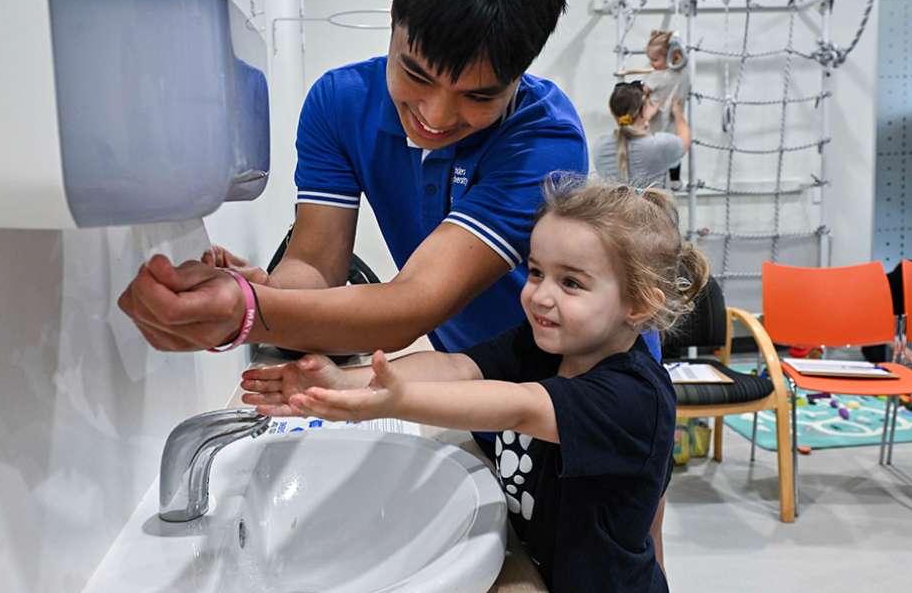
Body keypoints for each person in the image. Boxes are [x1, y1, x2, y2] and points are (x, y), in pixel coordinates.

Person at [118, 0, 663, 360]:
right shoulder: (338, 105)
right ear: (393, 20)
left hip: (589, 387)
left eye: (478, 96)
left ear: (521, 72)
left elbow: (415, 303)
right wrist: (263, 292)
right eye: (415, 74)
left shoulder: (542, 140)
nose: (436, 115)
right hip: (470, 379)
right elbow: (315, 264)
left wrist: (247, 313)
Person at [240, 176, 710, 593]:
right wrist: (349, 382)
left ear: (638, 306)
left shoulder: (633, 397)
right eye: (537, 272)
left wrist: (395, 401)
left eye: (571, 283)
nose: (541, 295)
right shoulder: (545, 345)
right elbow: (459, 367)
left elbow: (518, 406)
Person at [593, 81, 690, 189]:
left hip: (614, 206)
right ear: (643, 110)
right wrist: (678, 113)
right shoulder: (658, 145)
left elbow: (629, 132)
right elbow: (684, 140)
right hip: (653, 206)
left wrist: (643, 117)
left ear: (613, 112)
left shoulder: (599, 146)